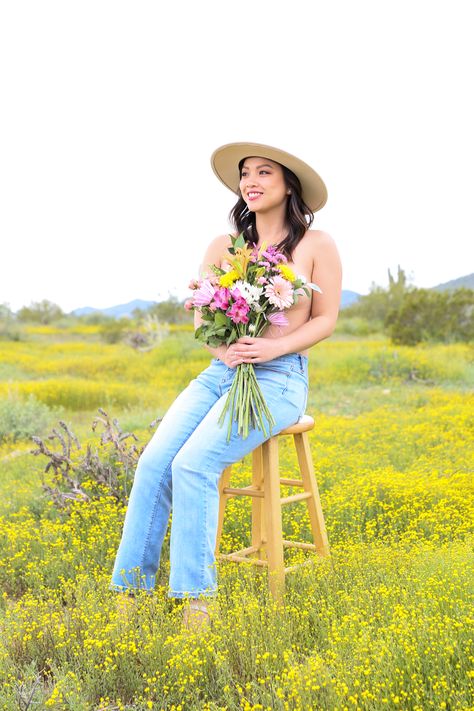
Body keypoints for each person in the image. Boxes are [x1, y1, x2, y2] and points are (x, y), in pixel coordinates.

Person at [109, 141, 342, 631]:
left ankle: (197, 608)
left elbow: (325, 321)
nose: (251, 182)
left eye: (263, 173)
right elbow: (200, 315)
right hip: (222, 373)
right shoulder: (225, 246)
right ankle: (129, 597)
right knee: (154, 463)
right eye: (244, 175)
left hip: (280, 378)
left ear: (288, 184)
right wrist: (225, 351)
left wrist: (271, 349)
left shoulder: (317, 246)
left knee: (194, 464)